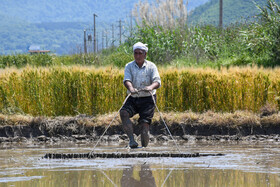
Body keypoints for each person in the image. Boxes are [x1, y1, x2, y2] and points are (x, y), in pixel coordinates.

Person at [120, 42, 161, 148]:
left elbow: (157, 81)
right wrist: (131, 88)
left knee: (144, 124)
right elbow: (127, 80)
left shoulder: (151, 66)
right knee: (123, 113)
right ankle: (132, 141)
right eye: (136, 53)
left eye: (140, 53)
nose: (138, 56)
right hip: (133, 97)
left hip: (148, 99)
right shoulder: (129, 66)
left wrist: (150, 87)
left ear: (145, 54)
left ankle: (144, 148)